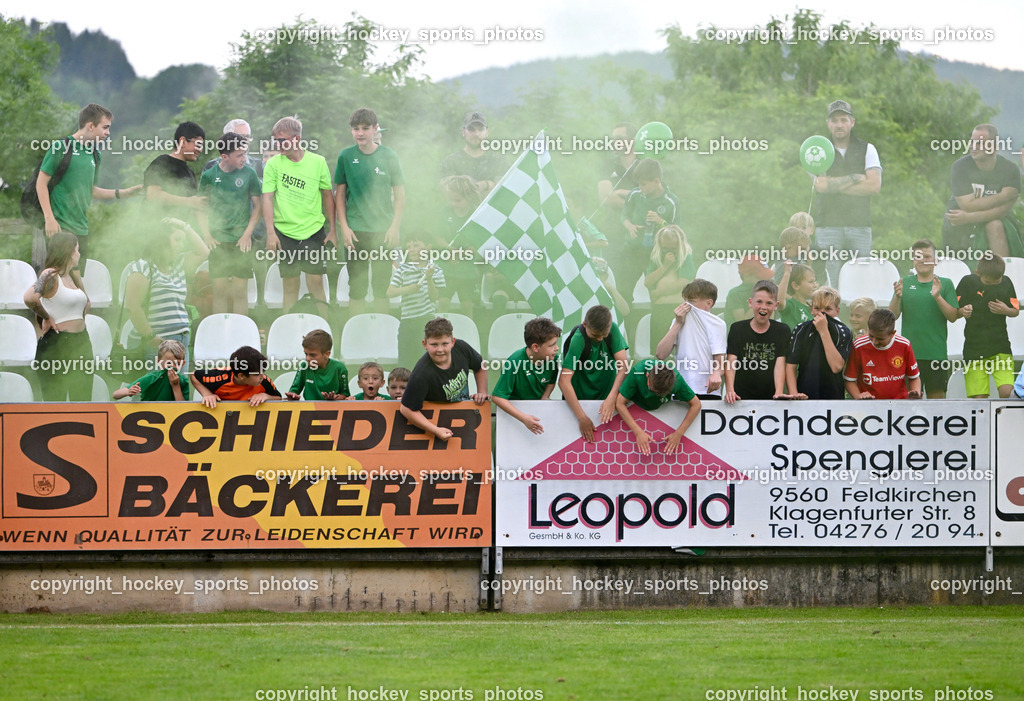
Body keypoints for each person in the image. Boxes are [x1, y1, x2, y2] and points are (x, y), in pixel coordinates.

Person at [36, 103, 141, 269]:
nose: (108, 133)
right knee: (61, 278)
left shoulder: (95, 154)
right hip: (60, 226)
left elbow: (91, 190)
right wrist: (49, 218)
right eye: (105, 127)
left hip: (82, 228)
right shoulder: (61, 147)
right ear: (91, 126)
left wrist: (124, 193)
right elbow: (41, 183)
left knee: (73, 279)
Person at [335, 107, 405, 316]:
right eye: (356, 128)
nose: (360, 133)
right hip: (355, 231)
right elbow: (339, 195)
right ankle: (356, 336)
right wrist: (344, 227)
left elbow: (400, 195)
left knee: (381, 288)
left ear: (375, 129)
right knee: (357, 288)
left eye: (365, 128)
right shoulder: (346, 156)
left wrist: (394, 227)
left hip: (383, 231)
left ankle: (380, 334)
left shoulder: (389, 156)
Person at [263, 116, 335, 315]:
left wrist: (333, 230)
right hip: (284, 233)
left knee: (316, 282)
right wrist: (271, 233)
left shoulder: (318, 162)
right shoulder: (273, 164)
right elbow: (267, 199)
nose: (278, 145)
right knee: (290, 286)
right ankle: (287, 333)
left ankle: (325, 331)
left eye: (282, 141)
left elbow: (328, 196)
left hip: (313, 231)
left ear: (296, 139)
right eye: (275, 141)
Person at [122, 218, 209, 369]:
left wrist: (185, 226)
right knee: (156, 392)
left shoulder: (178, 264)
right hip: (156, 344)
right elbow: (132, 306)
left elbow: (204, 252)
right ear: (162, 241)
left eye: (183, 241)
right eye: (177, 240)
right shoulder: (143, 266)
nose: (182, 245)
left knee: (179, 391)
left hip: (181, 341)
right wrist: (150, 337)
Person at [813, 100, 882, 287]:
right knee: (829, 283)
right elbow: (821, 186)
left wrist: (834, 185)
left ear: (852, 122)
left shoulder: (868, 148)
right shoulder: (818, 150)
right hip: (828, 225)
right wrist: (855, 178)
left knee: (860, 282)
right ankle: (829, 317)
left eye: (843, 119)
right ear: (828, 123)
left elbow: (874, 186)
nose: (839, 124)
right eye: (834, 120)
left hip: (860, 225)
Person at [23, 233, 93, 401]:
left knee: (83, 402)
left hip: (81, 342)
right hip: (58, 343)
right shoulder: (50, 275)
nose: (79, 253)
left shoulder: (73, 276)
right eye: (77, 249)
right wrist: (46, 316)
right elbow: (30, 298)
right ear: (68, 251)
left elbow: (86, 303)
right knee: (55, 402)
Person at [889, 240, 961, 398]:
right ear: (913, 260)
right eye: (918, 256)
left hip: (936, 355)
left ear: (935, 260)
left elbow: (953, 316)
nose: (923, 260)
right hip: (909, 355)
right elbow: (892, 317)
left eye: (927, 256)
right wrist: (897, 297)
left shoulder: (946, 284)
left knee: (937, 403)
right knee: (910, 401)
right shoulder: (904, 282)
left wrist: (937, 297)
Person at [199, 132, 261, 315]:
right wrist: (207, 235)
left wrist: (247, 234)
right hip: (218, 241)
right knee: (220, 291)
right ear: (224, 156)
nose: (244, 158)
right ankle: (222, 336)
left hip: (242, 241)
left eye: (245, 153)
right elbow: (200, 208)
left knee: (240, 291)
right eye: (239, 155)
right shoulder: (209, 176)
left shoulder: (249, 173)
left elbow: (258, 207)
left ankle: (242, 336)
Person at [399, 317, 489, 441]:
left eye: (445, 344)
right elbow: (406, 409)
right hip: (436, 421)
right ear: (425, 344)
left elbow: (481, 365)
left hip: (464, 415)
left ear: (452, 341)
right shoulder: (421, 373)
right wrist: (435, 430)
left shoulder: (461, 348)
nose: (440, 350)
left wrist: (482, 391)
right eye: (434, 344)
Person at [941, 124, 1021, 257]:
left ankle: (1003, 274)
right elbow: (967, 205)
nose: (973, 146)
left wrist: (968, 217)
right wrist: (1004, 195)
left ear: (994, 147)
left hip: (983, 222)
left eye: (980, 143)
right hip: (958, 228)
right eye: (972, 141)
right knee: (959, 272)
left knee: (995, 225)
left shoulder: (1010, 170)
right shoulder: (960, 167)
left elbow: (1003, 211)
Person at [559, 305, 629, 442]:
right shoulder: (578, 338)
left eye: (604, 335)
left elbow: (623, 368)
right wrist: (582, 418)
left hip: (606, 403)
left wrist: (612, 397)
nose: (600, 339)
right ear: (585, 324)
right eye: (595, 335)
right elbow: (564, 381)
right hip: (579, 403)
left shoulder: (613, 329)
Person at [956, 252, 1019, 398]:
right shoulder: (967, 282)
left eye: (998, 280)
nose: (995, 284)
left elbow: (1015, 311)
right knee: (979, 400)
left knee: (1007, 394)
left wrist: (1006, 310)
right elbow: (954, 311)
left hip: (1001, 346)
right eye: (989, 283)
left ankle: (1006, 421)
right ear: (978, 273)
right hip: (974, 348)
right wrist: (963, 311)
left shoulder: (1007, 282)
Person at [654, 279, 727, 400]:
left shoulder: (717, 323)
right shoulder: (678, 320)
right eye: (685, 300)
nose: (686, 305)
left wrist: (717, 373)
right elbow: (661, 354)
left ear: (709, 303)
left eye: (692, 301)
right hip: (681, 387)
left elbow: (719, 355)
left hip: (707, 389)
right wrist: (678, 323)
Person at [619, 159, 680, 303]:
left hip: (656, 254)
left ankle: (659, 325)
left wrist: (661, 222)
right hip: (632, 251)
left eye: (643, 184)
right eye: (638, 184)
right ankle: (623, 324)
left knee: (657, 293)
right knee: (623, 292)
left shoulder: (671, 201)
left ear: (656, 180)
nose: (640, 187)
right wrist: (629, 226)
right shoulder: (635, 195)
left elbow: (677, 231)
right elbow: (624, 215)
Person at [492, 317, 562, 435]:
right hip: (515, 418)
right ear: (535, 347)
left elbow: (551, 381)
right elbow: (497, 397)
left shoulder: (553, 359)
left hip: (535, 415)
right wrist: (523, 418)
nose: (557, 348)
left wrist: (544, 399)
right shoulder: (514, 362)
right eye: (552, 345)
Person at [616, 360, 701, 455]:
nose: (656, 394)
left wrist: (678, 434)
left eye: (660, 393)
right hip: (636, 406)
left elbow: (696, 404)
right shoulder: (638, 372)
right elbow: (619, 403)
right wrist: (638, 432)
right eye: (652, 390)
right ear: (647, 375)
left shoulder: (677, 380)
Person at [724, 280, 791, 402]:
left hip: (770, 397)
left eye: (769, 303)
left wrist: (779, 392)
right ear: (750, 303)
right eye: (759, 302)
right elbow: (731, 362)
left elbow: (780, 364)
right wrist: (730, 391)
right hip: (740, 398)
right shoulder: (737, 329)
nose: (763, 307)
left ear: (776, 305)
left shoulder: (782, 330)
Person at [388, 233, 446, 368]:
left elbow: (435, 297)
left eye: (416, 245)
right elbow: (390, 292)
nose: (412, 249)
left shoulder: (435, 270)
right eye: (409, 246)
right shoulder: (403, 269)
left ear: (428, 247)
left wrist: (429, 278)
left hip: (426, 322)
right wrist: (408, 289)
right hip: (407, 322)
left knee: (425, 364)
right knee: (405, 364)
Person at [785, 286, 853, 400]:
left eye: (827, 309)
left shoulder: (843, 331)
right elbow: (791, 366)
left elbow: (836, 366)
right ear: (811, 309)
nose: (822, 313)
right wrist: (793, 394)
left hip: (833, 396)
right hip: (805, 395)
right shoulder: (801, 330)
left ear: (837, 311)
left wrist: (823, 331)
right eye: (817, 308)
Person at [844, 309, 922, 400]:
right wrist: (858, 396)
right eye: (871, 336)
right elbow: (849, 380)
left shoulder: (904, 345)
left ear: (892, 334)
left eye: (880, 339)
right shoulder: (859, 346)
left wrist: (915, 393)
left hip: (899, 404)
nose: (874, 342)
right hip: (870, 405)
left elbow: (914, 377)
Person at [144, 121, 207, 226]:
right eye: (198, 144)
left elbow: (194, 206)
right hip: (156, 231)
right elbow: (153, 195)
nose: (200, 150)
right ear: (182, 141)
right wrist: (189, 202)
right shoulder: (162, 162)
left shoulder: (190, 172)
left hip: (181, 233)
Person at [437, 175, 483, 317]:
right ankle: (437, 332)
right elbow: (439, 238)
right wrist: (449, 250)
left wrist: (465, 253)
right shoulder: (444, 213)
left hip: (467, 270)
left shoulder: (477, 214)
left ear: (468, 197)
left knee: (467, 305)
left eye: (457, 200)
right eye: (450, 200)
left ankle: (467, 333)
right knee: (443, 302)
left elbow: (478, 243)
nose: (453, 203)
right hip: (447, 268)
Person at [644, 225, 696, 350]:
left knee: (681, 347)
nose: (669, 251)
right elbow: (648, 282)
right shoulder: (656, 258)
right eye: (665, 248)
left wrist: (659, 292)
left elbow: (684, 283)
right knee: (660, 345)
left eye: (673, 248)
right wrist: (666, 265)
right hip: (659, 309)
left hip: (678, 308)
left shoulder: (686, 257)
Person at [439, 111, 508, 192]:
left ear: (487, 132)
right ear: (463, 132)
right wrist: (487, 185)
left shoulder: (499, 161)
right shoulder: (450, 162)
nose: (476, 134)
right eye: (471, 129)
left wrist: (486, 184)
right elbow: (447, 192)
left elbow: (504, 191)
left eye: (480, 129)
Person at [191, 345, 280, 408]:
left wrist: (266, 396)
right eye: (256, 374)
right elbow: (194, 375)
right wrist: (207, 394)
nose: (262, 376)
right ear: (241, 376)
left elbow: (278, 398)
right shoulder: (219, 378)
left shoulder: (264, 381)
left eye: (263, 371)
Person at [113, 339, 189, 401]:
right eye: (168, 363)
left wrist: (176, 386)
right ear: (158, 361)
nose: (172, 366)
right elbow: (116, 394)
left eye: (177, 363)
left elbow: (182, 408)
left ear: (183, 364)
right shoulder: (152, 378)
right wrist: (128, 391)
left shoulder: (183, 381)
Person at [284, 329, 349, 400]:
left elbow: (345, 395)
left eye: (312, 355)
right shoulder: (304, 366)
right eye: (306, 354)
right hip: (309, 409)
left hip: (333, 409)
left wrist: (334, 399)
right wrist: (293, 396)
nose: (307, 358)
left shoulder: (339, 368)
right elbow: (294, 391)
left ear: (327, 354)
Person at [724, 255, 774, 324]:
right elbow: (742, 324)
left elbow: (771, 320)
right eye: (761, 276)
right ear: (746, 276)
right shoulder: (735, 294)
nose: (765, 279)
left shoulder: (767, 289)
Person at [778, 263, 816, 330]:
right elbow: (779, 301)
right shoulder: (790, 305)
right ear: (795, 286)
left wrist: (809, 262)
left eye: (814, 281)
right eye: (811, 282)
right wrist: (787, 272)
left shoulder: (812, 308)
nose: (815, 285)